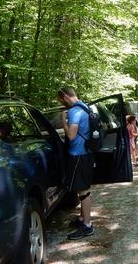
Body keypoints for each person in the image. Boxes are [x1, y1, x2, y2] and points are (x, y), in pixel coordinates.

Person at [57, 87, 95, 240]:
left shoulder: (74, 112)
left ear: (65, 96)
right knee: (82, 189)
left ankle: (87, 226)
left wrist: (63, 121)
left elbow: (71, 136)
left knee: (83, 192)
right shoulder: (84, 106)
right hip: (86, 153)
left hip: (79, 154)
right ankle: (82, 219)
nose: (61, 103)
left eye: (60, 100)